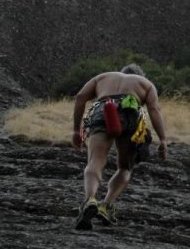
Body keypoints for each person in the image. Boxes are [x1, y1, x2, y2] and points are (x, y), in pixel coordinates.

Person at [71, 63, 168, 229]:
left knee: (95, 162)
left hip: (103, 109)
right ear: (140, 75)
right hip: (130, 115)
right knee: (125, 168)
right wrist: (163, 139)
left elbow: (80, 97)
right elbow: (153, 109)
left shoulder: (102, 77)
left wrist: (75, 130)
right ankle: (106, 205)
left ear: (120, 72)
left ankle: (90, 199)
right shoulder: (145, 83)